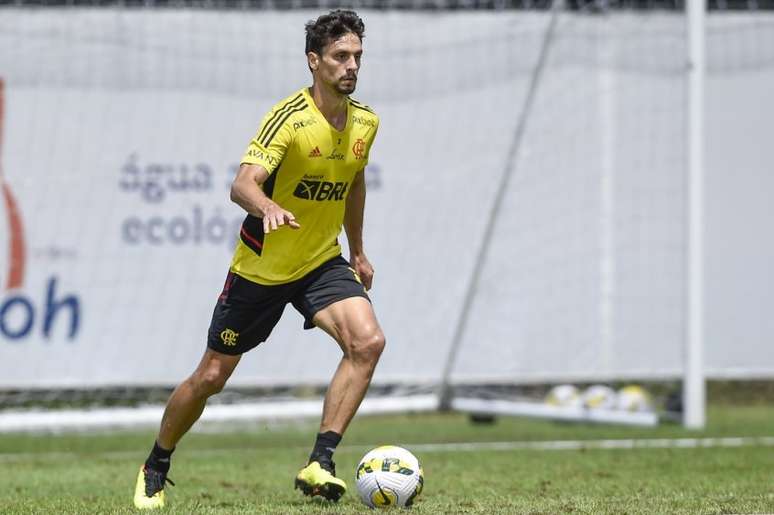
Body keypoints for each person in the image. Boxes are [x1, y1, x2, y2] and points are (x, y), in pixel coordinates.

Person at [133, 9, 383, 509]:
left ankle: (321, 462)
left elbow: (354, 183)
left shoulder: (366, 122)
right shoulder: (288, 118)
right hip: (262, 269)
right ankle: (156, 463)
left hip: (320, 261)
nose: (351, 65)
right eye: (340, 56)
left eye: (357, 56)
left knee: (368, 342)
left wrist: (357, 250)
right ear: (314, 61)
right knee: (211, 377)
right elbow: (242, 184)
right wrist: (267, 206)